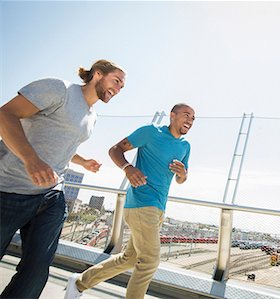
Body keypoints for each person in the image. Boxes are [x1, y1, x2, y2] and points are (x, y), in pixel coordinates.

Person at [0, 59, 126, 299]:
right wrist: (31, 159)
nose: (119, 89)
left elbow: (61, 146)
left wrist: (83, 161)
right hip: (9, 189)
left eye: (122, 87)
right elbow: (6, 114)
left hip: (51, 196)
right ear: (98, 74)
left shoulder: (92, 116)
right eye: (117, 81)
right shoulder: (59, 89)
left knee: (36, 272)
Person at [64, 103, 195, 299]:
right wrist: (128, 167)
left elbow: (181, 179)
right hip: (141, 204)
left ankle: (80, 282)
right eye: (186, 115)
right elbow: (115, 149)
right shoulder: (151, 132)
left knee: (130, 258)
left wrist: (183, 174)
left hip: (158, 208)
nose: (190, 121)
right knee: (150, 261)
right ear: (172, 115)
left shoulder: (185, 146)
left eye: (193, 118)